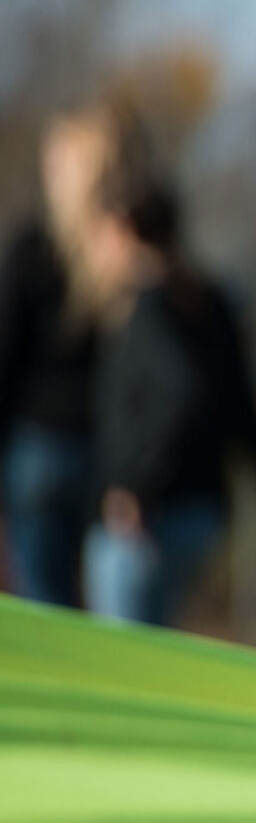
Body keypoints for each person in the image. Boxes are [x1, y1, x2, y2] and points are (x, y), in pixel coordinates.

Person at [79, 171, 256, 627]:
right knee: (157, 656)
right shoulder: (212, 304)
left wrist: (138, 485)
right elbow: (248, 415)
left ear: (124, 232)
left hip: (145, 520)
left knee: (124, 673)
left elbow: (183, 393)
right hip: (202, 512)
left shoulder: (149, 311)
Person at [0, 103, 153, 606]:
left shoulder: (32, 250)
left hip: (38, 455)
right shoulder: (130, 261)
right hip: (107, 460)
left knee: (47, 615)